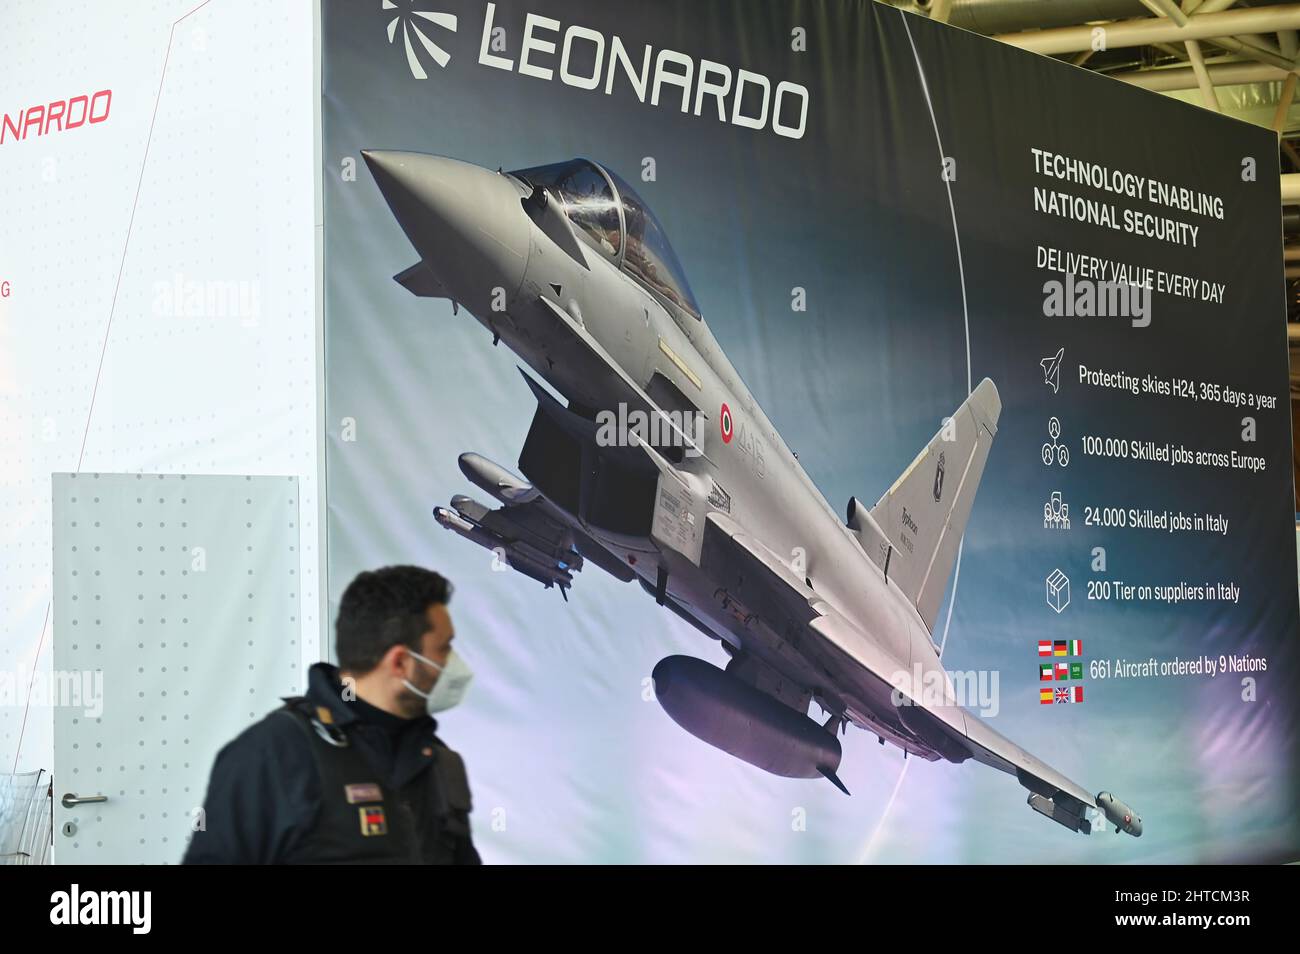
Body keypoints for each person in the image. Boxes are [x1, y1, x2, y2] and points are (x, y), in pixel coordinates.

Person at [183, 565, 481, 864]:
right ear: (400, 662)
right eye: (444, 649)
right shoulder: (274, 754)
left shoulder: (439, 763)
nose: (454, 665)